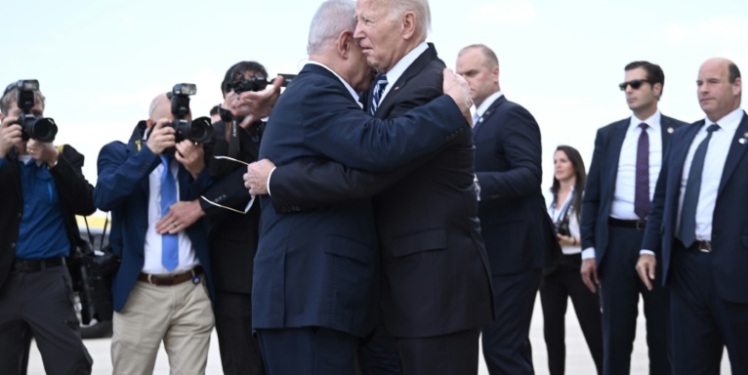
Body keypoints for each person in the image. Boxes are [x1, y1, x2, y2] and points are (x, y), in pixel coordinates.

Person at [245, 1, 494, 374]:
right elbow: (371, 155)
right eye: (356, 23)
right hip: (317, 300)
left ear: (407, 25)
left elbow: (375, 162)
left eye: (368, 20)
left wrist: (277, 180)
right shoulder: (330, 91)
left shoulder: (430, 85)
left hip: (431, 293)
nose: (360, 33)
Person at [155, 60, 274, 375]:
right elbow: (221, 174)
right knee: (241, 365)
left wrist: (200, 205)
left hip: (282, 268)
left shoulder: (281, 125)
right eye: (241, 87)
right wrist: (226, 118)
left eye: (257, 87)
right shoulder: (211, 129)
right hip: (235, 273)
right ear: (225, 93)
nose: (249, 94)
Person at [637, 58, 748, 374]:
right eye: (699, 83)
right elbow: (661, 200)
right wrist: (648, 248)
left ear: (736, 86)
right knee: (689, 366)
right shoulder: (684, 137)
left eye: (712, 82)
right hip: (685, 269)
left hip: (739, 271)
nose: (703, 90)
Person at [454, 43, 558, 375]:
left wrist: (473, 183)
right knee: (508, 347)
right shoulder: (474, 123)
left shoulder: (512, 115)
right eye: (459, 75)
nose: (464, 80)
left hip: (514, 254)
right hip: (493, 255)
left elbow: (529, 175)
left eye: (471, 73)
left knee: (502, 349)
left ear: (494, 74)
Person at [94, 92, 214, 375]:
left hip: (192, 291)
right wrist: (148, 153)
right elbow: (103, 197)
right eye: (170, 124)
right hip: (141, 291)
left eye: (184, 123)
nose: (178, 131)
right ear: (150, 124)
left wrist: (198, 169)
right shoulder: (118, 153)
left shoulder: (195, 157)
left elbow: (216, 206)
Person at [579, 61, 687, 375]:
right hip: (616, 244)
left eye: (636, 84)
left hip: (662, 244)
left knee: (664, 337)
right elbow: (592, 197)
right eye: (624, 85)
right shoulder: (608, 136)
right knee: (615, 337)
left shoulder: (681, 133)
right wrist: (588, 250)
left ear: (657, 88)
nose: (629, 90)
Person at [0, 81, 94, 374]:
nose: (30, 120)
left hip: (50, 280)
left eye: (37, 113)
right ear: (3, 118)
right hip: (3, 281)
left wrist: (53, 159)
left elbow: (87, 203)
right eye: (22, 114)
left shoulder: (63, 155)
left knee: (70, 366)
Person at [540, 145, 603, 375]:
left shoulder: (585, 195)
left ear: (575, 164)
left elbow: (594, 232)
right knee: (552, 334)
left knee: (593, 328)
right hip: (551, 269)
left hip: (579, 265)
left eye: (563, 161)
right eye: (555, 161)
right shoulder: (548, 195)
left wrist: (572, 241)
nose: (557, 165)